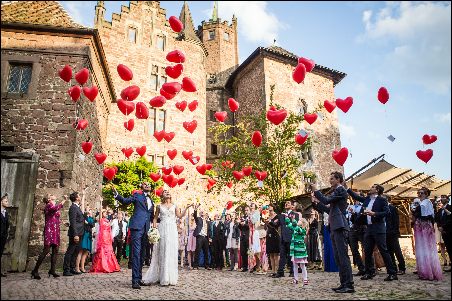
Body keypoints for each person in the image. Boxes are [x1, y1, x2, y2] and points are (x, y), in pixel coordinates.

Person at [311, 171, 354, 293]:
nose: (330, 181)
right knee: (338, 257)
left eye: (332, 179)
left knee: (343, 256)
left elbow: (325, 200)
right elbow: (326, 208)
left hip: (340, 226)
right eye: (330, 179)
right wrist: (315, 203)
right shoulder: (336, 192)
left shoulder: (341, 190)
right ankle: (343, 283)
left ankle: (349, 284)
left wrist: (316, 191)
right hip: (334, 226)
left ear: (339, 180)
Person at [346, 184, 397, 281]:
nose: (370, 188)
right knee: (367, 251)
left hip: (378, 228)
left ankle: (392, 273)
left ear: (377, 190)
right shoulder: (367, 199)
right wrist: (347, 188)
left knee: (383, 250)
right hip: (369, 228)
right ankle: (369, 272)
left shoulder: (382, 200)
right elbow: (356, 197)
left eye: (373, 187)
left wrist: (375, 214)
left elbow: (387, 212)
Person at [143, 190, 192, 286]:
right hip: (162, 229)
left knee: (171, 251)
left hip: (172, 230)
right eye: (165, 192)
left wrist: (186, 208)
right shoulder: (159, 206)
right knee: (163, 250)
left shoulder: (174, 206)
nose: (167, 193)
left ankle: (170, 276)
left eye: (168, 192)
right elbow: (155, 218)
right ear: (162, 195)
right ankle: (162, 276)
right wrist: (154, 228)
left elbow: (180, 216)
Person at [113, 182, 155, 289]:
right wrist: (117, 195)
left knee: (142, 254)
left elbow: (151, 216)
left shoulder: (151, 200)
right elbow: (126, 201)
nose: (147, 185)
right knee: (136, 253)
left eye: (149, 184)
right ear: (141, 187)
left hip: (146, 229)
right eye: (145, 184)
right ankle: (134, 280)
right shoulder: (137, 195)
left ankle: (139, 278)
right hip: (137, 227)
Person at [31, 194, 67, 279]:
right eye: (51, 195)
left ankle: (52, 270)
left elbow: (55, 217)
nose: (53, 195)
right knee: (46, 250)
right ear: (49, 198)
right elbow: (54, 209)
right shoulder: (48, 205)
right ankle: (35, 270)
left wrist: (62, 222)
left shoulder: (54, 206)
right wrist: (64, 201)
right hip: (49, 230)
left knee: (55, 250)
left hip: (55, 231)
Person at [411, 188, 444, 281]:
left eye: (421, 193)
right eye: (418, 193)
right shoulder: (418, 203)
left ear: (426, 194)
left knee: (427, 247)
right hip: (419, 226)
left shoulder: (427, 202)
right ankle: (423, 270)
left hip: (425, 226)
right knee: (421, 248)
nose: (419, 194)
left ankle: (430, 271)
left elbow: (428, 216)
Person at [273, 200, 298, 278]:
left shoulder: (295, 214)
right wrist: (272, 222)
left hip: (291, 237)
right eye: (285, 203)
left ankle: (292, 271)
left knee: (291, 255)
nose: (286, 204)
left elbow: (295, 224)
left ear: (292, 206)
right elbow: (276, 225)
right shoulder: (281, 215)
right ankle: (280, 272)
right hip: (283, 238)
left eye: (288, 203)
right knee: (282, 255)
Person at [63, 191, 85, 276]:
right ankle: (66, 269)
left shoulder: (77, 207)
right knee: (70, 251)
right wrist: (75, 234)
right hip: (75, 233)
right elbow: (73, 221)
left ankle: (72, 268)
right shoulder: (73, 208)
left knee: (76, 251)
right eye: (79, 195)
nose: (79, 196)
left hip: (80, 232)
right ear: (76, 198)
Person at [286, 214, 309, 285]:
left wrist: (293, 219)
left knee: (302, 265)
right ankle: (295, 279)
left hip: (300, 251)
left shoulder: (302, 230)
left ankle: (305, 279)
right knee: (295, 265)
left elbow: (295, 226)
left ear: (302, 223)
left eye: (299, 221)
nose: (298, 221)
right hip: (295, 251)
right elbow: (289, 225)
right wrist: (287, 218)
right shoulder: (296, 229)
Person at [385, 197, 406, 275]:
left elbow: (396, 220)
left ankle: (402, 267)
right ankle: (393, 267)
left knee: (397, 250)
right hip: (385, 232)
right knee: (389, 251)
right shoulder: (381, 208)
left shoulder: (392, 208)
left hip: (392, 232)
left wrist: (395, 231)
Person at [347, 199, 366, 276]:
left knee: (366, 249)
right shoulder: (350, 206)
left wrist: (354, 213)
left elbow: (361, 217)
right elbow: (349, 218)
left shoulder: (364, 206)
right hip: (352, 229)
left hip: (362, 228)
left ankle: (370, 269)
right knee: (354, 249)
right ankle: (361, 268)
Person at [193, 204, 211, 270]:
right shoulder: (198, 219)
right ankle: (195, 266)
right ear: (200, 213)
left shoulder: (208, 222)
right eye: (201, 212)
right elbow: (195, 216)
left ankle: (207, 265)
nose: (203, 213)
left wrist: (209, 238)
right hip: (200, 236)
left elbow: (209, 231)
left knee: (206, 252)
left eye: (203, 212)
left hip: (206, 238)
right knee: (197, 251)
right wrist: (195, 210)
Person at [436, 195, 451, 272]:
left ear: (448, 199)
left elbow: (450, 219)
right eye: (441, 197)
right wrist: (439, 226)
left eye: (444, 197)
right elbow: (437, 219)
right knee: (448, 247)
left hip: (449, 230)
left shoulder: (450, 207)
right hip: (443, 232)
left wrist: (443, 227)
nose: (442, 199)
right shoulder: (439, 210)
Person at [79, 208, 95, 273]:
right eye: (89, 210)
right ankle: (78, 266)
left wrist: (88, 223)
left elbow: (92, 225)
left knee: (86, 252)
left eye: (91, 210)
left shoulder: (91, 218)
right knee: (81, 251)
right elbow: (89, 224)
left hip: (89, 235)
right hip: (85, 235)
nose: (90, 211)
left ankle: (82, 267)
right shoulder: (84, 216)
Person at [265, 204, 280, 277]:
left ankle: (277, 270)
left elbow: (276, 225)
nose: (269, 211)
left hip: (275, 235)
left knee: (276, 254)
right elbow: (267, 226)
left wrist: (270, 221)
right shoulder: (268, 217)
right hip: (269, 236)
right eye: (269, 209)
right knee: (270, 254)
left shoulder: (277, 216)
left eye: (271, 209)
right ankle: (273, 271)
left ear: (273, 209)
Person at [249, 203, 263, 274]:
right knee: (251, 250)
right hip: (250, 232)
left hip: (256, 231)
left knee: (257, 249)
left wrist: (251, 216)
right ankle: (252, 265)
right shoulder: (249, 213)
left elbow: (254, 221)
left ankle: (258, 266)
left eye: (253, 204)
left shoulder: (257, 212)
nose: (251, 205)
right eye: (251, 205)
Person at [238, 206, 251, 272]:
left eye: (247, 210)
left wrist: (244, 224)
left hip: (249, 236)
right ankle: (244, 266)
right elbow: (240, 227)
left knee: (250, 252)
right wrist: (240, 224)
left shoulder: (251, 217)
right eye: (245, 210)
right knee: (243, 252)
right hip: (243, 237)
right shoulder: (243, 218)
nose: (246, 211)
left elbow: (251, 227)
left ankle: (251, 266)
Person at [0, 194, 9, 277]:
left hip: (3, 236)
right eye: (6, 201)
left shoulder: (6, 212)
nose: (7, 202)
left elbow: (7, 225)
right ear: (1, 202)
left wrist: (5, 235)